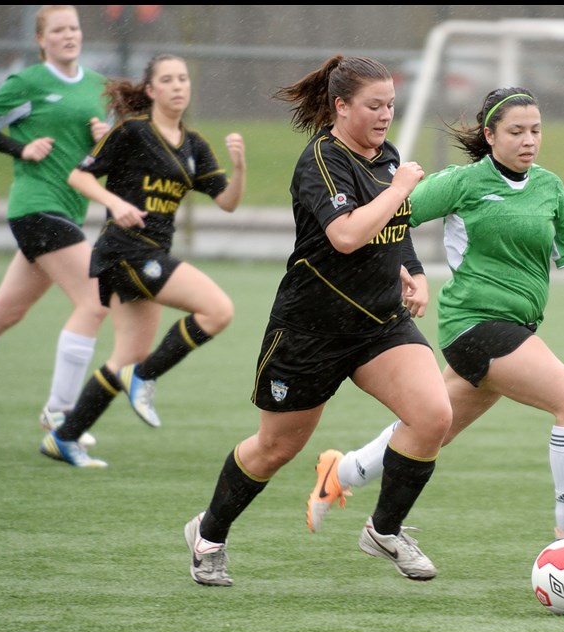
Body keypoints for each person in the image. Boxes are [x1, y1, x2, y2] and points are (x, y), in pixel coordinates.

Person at [306, 88, 564, 550]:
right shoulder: (463, 182)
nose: (529, 141)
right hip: (474, 324)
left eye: (536, 130)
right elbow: (392, 218)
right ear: (490, 135)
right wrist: (412, 272)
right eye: (516, 131)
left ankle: (341, 472)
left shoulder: (550, 186)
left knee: (430, 430)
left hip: (515, 327)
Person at [182, 55, 452, 587]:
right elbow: (347, 235)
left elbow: (393, 227)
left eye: (391, 105)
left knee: (433, 416)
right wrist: (402, 189)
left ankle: (384, 529)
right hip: (310, 330)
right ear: (341, 105)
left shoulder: (387, 156)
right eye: (374, 106)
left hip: (378, 324)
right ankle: (208, 534)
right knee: (276, 448)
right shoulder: (321, 162)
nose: (385, 115)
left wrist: (413, 271)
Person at [39, 54, 246, 468]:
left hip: (151, 254)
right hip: (124, 250)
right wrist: (115, 203)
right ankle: (146, 377)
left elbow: (227, 202)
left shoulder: (194, 145)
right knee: (218, 309)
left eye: (183, 79)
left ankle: (65, 436)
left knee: (128, 356)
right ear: (150, 91)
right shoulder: (133, 131)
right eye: (167, 79)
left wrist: (239, 168)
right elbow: (79, 176)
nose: (177, 86)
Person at [0, 5, 109, 448]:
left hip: (67, 212)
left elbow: (99, 158)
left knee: (3, 315)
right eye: (58, 29)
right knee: (94, 300)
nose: (69, 34)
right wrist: (20, 148)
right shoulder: (27, 82)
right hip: (36, 206)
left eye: (73, 27)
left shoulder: (97, 86)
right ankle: (60, 415)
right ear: (42, 40)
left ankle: (59, 413)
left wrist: (103, 138)